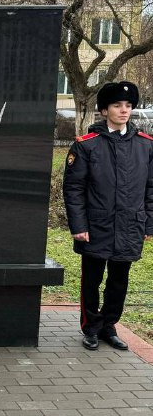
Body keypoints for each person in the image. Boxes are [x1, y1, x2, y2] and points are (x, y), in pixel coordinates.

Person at [63, 81, 153, 351]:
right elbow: (74, 189)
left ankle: (109, 326)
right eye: (117, 105)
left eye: (128, 105)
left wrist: (148, 224)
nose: (124, 110)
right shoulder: (87, 145)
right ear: (104, 110)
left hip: (130, 226)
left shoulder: (145, 145)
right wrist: (79, 226)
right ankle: (91, 327)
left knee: (119, 281)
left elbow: (151, 188)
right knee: (91, 280)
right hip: (96, 226)